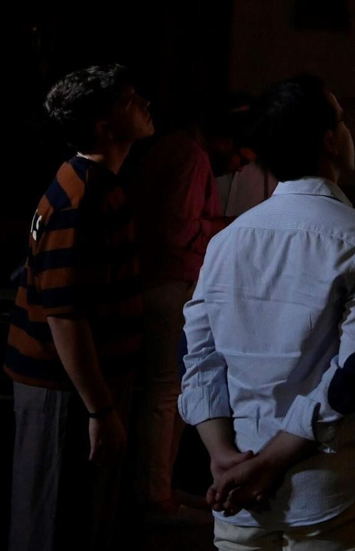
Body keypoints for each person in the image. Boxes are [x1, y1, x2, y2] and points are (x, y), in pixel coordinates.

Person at [180, 74, 355, 550]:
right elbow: (353, 373)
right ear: (328, 142)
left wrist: (223, 456)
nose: (347, 130)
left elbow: (198, 361)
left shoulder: (224, 243)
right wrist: (273, 462)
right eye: (341, 120)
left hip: (238, 486)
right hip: (328, 484)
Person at [5, 64, 153, 551]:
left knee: (79, 520)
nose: (144, 105)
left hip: (80, 388)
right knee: (56, 524)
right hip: (65, 391)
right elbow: (65, 316)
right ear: (103, 126)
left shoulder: (93, 183)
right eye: (131, 100)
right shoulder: (81, 197)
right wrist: (100, 408)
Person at [125, 109, 231, 524]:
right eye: (239, 155)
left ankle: (160, 488)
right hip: (168, 284)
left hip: (157, 281)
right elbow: (178, 229)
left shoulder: (171, 149)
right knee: (166, 392)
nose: (237, 165)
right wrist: (230, 226)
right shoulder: (190, 155)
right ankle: (155, 497)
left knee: (166, 391)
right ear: (222, 137)